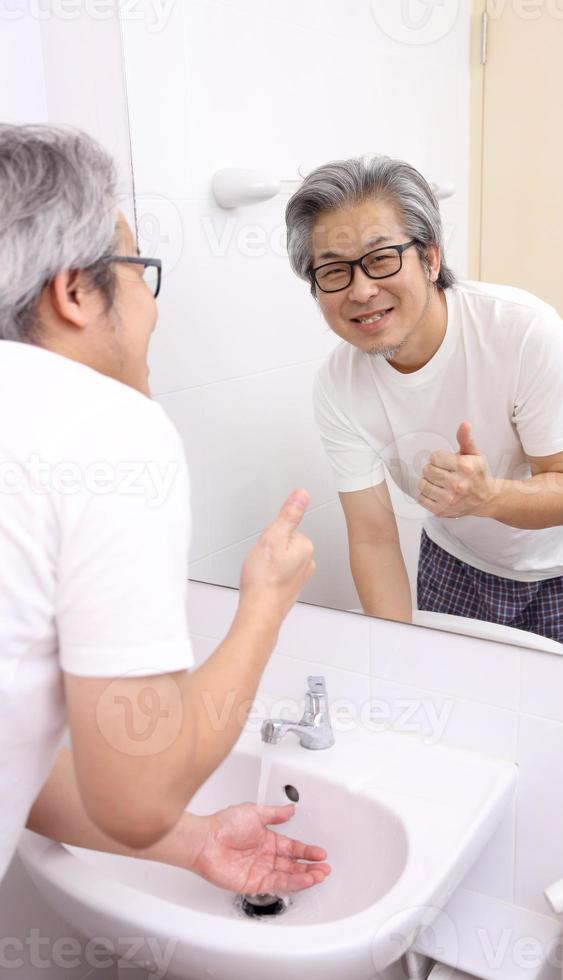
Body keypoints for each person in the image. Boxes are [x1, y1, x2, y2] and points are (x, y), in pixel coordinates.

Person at [0, 124, 331, 893]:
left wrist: (195, 845)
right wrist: (266, 604)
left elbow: (18, 749)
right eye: (138, 270)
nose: (151, 306)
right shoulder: (100, 424)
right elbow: (137, 798)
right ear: (75, 290)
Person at [285, 156, 563, 646]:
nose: (361, 290)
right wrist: (395, 662)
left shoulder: (524, 330)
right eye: (334, 271)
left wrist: (490, 497)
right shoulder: (338, 385)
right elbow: (373, 536)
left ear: (430, 259)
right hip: (453, 562)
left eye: (381, 258)